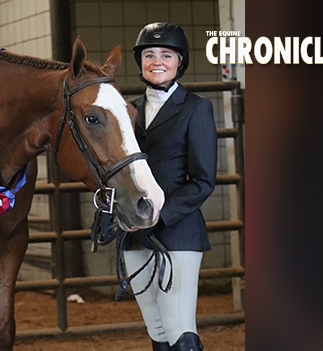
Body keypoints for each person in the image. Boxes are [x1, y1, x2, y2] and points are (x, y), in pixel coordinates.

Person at [123, 22, 218, 351]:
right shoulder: (128, 112)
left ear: (180, 62)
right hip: (134, 235)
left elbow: (204, 180)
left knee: (179, 327)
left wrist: (159, 215)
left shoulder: (196, 108)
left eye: (166, 54)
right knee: (157, 329)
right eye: (149, 54)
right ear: (141, 62)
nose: (157, 61)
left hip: (177, 232)